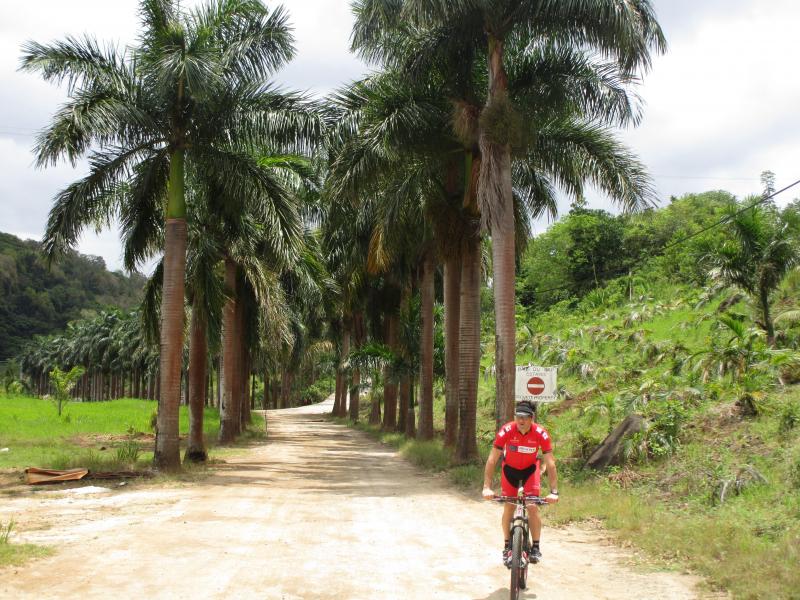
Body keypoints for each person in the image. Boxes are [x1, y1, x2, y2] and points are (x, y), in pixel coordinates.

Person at [482, 401, 559, 567]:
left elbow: (550, 463)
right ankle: (507, 546)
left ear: (532, 418)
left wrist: (554, 491)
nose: (521, 420)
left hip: (530, 471)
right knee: (509, 506)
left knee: (532, 506)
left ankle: (536, 547)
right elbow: (492, 459)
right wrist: (486, 487)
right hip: (510, 470)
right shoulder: (506, 430)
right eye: (518, 416)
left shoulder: (540, 433)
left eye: (525, 417)